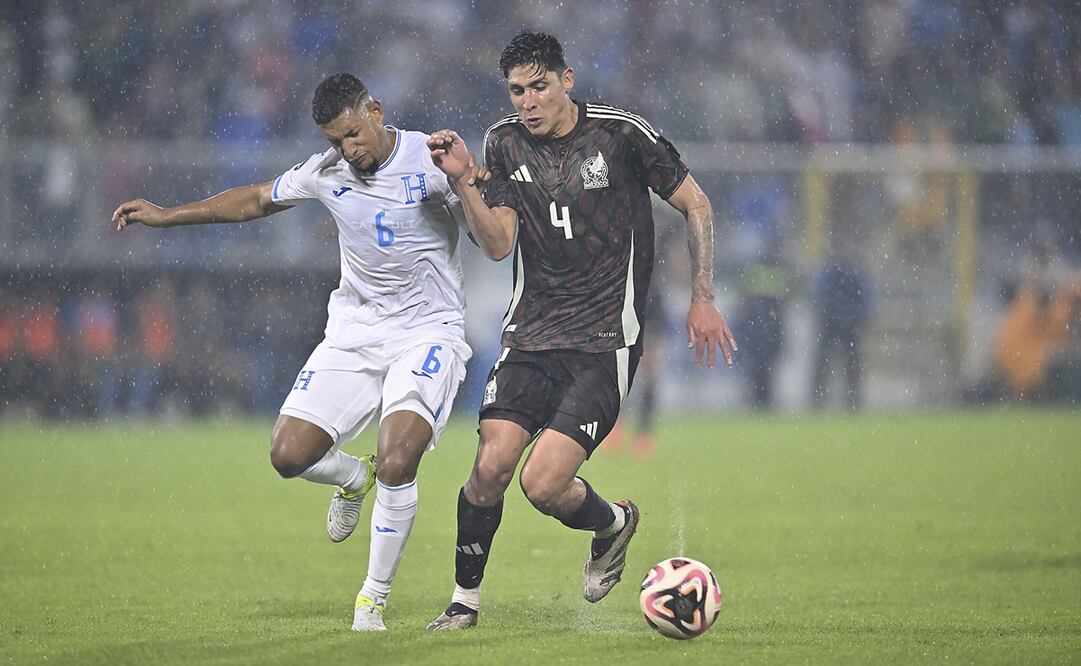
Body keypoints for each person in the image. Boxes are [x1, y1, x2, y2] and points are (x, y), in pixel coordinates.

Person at [111, 73, 483, 632]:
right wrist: (167, 215)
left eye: (353, 134)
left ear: (376, 112)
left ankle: (371, 602)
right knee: (287, 455)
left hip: (428, 332)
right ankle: (353, 480)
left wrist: (473, 184)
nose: (347, 150)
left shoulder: (431, 159)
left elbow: (491, 221)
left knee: (399, 458)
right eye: (335, 140)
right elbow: (256, 199)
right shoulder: (326, 172)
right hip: (354, 333)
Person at [424, 31, 737, 630]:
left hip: (603, 342)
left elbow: (696, 203)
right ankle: (464, 604)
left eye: (539, 86)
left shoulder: (622, 134)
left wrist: (702, 297)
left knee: (543, 485)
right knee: (490, 468)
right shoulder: (503, 142)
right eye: (517, 91)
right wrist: (465, 180)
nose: (528, 102)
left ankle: (612, 524)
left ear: (567, 80)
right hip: (531, 336)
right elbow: (497, 246)